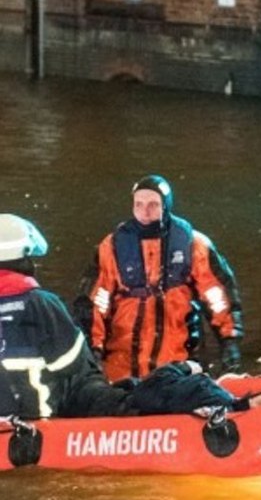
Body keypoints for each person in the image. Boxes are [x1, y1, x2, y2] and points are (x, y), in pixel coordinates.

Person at [0, 214, 240, 418]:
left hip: (14, 415)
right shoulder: (41, 304)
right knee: (138, 396)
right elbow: (74, 366)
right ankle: (214, 400)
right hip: (48, 416)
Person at [75, 175, 244, 383]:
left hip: (177, 359)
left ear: (166, 206)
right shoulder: (111, 247)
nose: (145, 211)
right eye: (139, 204)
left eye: (153, 204)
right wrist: (94, 350)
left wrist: (229, 341)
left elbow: (216, 294)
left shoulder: (193, 244)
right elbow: (95, 302)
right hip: (120, 364)